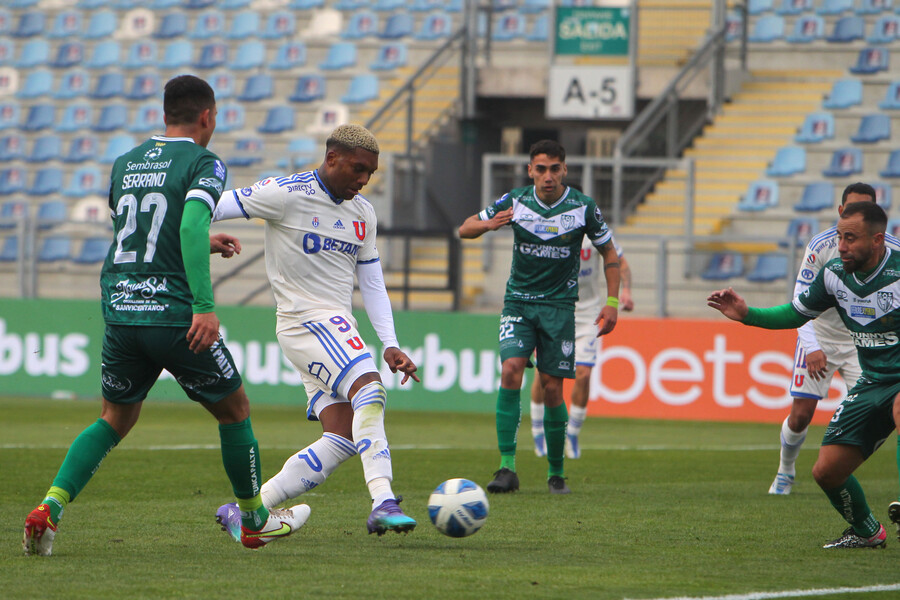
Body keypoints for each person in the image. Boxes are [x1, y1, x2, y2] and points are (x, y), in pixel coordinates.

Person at [23, 75, 307, 557]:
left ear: (164, 113)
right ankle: (256, 520)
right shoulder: (203, 162)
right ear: (207, 117)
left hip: (120, 310)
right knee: (234, 410)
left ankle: (51, 507)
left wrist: (193, 244)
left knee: (114, 418)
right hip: (175, 314)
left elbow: (139, 234)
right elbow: (193, 220)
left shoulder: (126, 162)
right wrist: (203, 304)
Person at [210, 124, 421, 537]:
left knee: (341, 435)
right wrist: (195, 235)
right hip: (305, 321)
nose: (363, 181)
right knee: (371, 391)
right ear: (331, 159)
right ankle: (383, 500)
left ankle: (247, 510)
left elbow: (372, 282)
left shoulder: (363, 214)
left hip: (333, 328)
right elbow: (211, 206)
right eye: (358, 169)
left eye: (371, 174)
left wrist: (391, 343)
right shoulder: (285, 194)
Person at [708, 201, 899, 549]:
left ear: (876, 240)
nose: (841, 246)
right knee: (826, 472)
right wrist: (747, 313)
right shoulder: (834, 274)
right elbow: (796, 313)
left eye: (850, 238)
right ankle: (868, 532)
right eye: (840, 237)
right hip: (873, 381)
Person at [458, 140, 620, 495]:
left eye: (555, 169)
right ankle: (506, 467)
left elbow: (609, 252)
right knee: (511, 369)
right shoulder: (515, 201)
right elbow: (464, 228)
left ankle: (556, 472)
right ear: (530, 170)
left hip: (560, 307)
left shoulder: (583, 207)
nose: (548, 176)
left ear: (564, 170)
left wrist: (612, 301)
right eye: (541, 169)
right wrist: (488, 226)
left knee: (551, 387)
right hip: (518, 303)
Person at [769, 183, 900, 496]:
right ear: (841, 212)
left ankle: (842, 475)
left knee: (884, 410)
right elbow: (799, 302)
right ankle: (785, 471)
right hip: (822, 334)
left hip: (863, 342)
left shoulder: (892, 251)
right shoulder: (821, 246)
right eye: (850, 210)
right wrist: (811, 346)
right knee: (801, 415)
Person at [530, 236, 634, 459]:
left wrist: (626, 292)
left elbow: (620, 262)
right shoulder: (550, 229)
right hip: (554, 311)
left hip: (588, 315)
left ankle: (573, 434)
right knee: (543, 374)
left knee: (584, 374)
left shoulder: (595, 232)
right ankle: (538, 430)